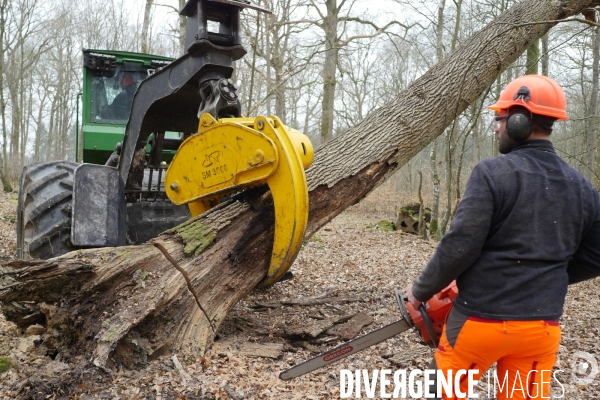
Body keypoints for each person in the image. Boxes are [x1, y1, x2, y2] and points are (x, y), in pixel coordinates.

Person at [405, 75, 600, 399]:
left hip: (480, 323)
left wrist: (420, 290)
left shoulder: (491, 173)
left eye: (501, 118)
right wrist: (546, 276)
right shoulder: (583, 188)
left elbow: (460, 244)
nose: (496, 127)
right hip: (541, 329)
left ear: (520, 120)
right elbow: (596, 255)